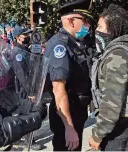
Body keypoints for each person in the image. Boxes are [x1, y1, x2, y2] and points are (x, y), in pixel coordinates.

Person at [89, 4, 128, 151]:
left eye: (100, 27)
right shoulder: (118, 52)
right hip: (117, 124)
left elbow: (112, 103)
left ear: (112, 30)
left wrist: (97, 134)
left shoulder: (117, 57)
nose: (96, 31)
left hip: (115, 127)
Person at [44, 0, 93, 151]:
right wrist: (69, 128)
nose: (88, 25)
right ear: (71, 21)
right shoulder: (60, 45)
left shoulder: (75, 43)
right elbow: (58, 89)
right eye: (84, 21)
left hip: (76, 109)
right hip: (66, 113)